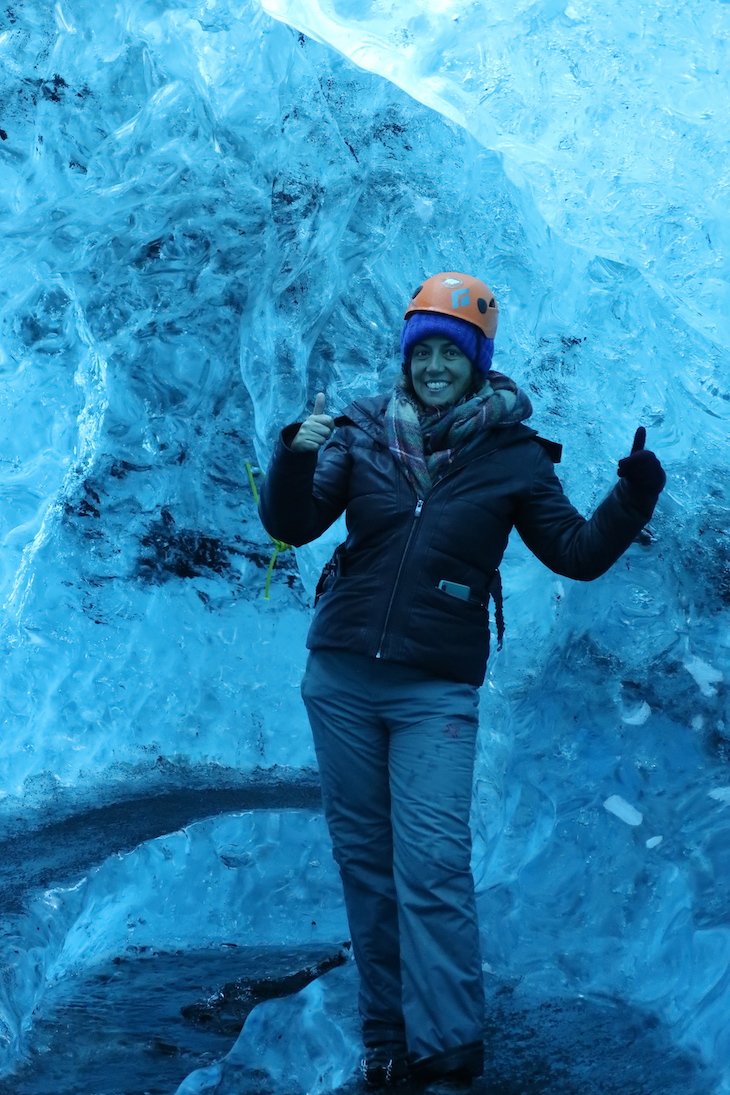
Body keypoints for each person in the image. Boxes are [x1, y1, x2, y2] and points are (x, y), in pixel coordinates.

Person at [258, 271, 665, 1089]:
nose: (436, 364)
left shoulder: (512, 454)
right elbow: (292, 523)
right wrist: (293, 457)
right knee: (365, 863)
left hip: (434, 690)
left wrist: (632, 497)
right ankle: (384, 1037)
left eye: (454, 350)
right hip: (339, 677)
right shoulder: (362, 429)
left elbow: (576, 552)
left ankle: (447, 1048)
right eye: (424, 348)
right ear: (407, 356)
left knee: (433, 864)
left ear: (479, 360)